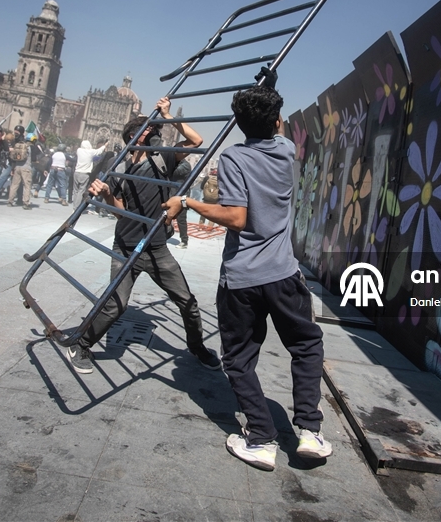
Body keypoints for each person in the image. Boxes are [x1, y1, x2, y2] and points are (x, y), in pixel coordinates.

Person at [162, 86, 331, 471]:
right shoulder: (287, 152)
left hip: (241, 280)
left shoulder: (234, 157)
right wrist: (269, 92)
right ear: (276, 121)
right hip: (284, 276)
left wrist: (186, 202)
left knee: (239, 360)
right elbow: (279, 128)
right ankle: (309, 431)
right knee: (306, 346)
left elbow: (237, 217)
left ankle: (261, 438)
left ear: (239, 125)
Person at [69, 96, 220, 375]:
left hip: (157, 248)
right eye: (150, 132)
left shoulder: (162, 158)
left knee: (187, 302)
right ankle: (81, 343)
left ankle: (197, 347)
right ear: (134, 137)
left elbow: (196, 141)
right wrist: (106, 194)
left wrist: (168, 114)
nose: (156, 136)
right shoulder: (120, 168)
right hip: (126, 245)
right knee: (116, 305)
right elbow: (120, 213)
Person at [7, 125, 38, 209]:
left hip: (17, 167)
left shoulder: (19, 145)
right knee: (27, 186)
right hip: (26, 168)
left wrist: (13, 168)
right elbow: (34, 159)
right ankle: (26, 203)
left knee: (14, 185)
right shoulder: (31, 147)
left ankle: (10, 201)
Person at [72, 139, 105, 205]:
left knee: (75, 190)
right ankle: (76, 207)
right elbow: (99, 151)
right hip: (84, 174)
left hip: (76, 172)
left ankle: (74, 204)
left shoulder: (79, 150)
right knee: (81, 191)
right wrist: (105, 145)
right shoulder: (90, 152)